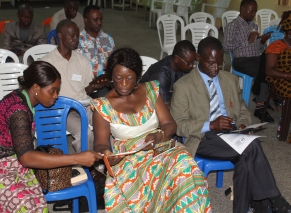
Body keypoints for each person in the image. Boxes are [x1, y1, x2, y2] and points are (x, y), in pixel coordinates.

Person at [170, 37, 291, 213]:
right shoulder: (183, 86)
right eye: (211, 63)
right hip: (204, 137)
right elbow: (179, 125)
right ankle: (275, 200)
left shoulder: (230, 80)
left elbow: (242, 108)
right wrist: (210, 125)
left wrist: (243, 124)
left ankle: (245, 208)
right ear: (198, 57)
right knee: (252, 146)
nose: (215, 68)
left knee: (245, 159)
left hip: (232, 133)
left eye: (220, 63)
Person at [91, 48, 212, 213]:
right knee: (160, 173)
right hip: (129, 159)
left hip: (159, 146)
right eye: (118, 78)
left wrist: (157, 135)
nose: (124, 84)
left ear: (137, 77)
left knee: (185, 162)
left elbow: (170, 124)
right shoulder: (102, 106)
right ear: (111, 77)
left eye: (129, 78)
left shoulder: (150, 91)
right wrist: (106, 153)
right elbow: (99, 144)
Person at [0, 61, 102, 212]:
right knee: (26, 204)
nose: (56, 96)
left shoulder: (21, 99)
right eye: (52, 91)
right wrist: (77, 159)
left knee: (36, 200)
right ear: (35, 88)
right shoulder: (18, 111)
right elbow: (26, 158)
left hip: (4, 160)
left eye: (57, 91)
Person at [41, 19, 108, 152]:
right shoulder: (47, 62)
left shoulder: (82, 60)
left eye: (77, 35)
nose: (76, 39)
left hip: (85, 105)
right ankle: (88, 167)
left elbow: (86, 90)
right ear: (60, 36)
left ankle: (106, 158)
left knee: (107, 122)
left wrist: (94, 86)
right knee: (85, 134)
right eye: (72, 35)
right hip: (63, 109)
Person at [223, 0, 274, 122]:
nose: (253, 14)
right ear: (243, 10)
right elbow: (226, 46)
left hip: (256, 57)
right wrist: (248, 40)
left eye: (255, 11)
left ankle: (262, 97)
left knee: (271, 65)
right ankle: (260, 107)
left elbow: (258, 47)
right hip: (241, 60)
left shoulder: (254, 25)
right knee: (261, 71)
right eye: (251, 11)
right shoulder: (232, 26)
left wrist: (261, 41)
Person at [140, 40, 196, 109]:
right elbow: (165, 107)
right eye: (188, 63)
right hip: (147, 107)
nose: (191, 66)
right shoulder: (161, 75)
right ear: (177, 59)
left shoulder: (181, 66)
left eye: (193, 62)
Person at [77, 5, 114, 97]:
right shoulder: (78, 40)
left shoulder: (107, 38)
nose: (99, 22)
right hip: (89, 86)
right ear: (85, 20)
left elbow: (115, 63)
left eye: (101, 19)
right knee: (106, 95)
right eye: (95, 20)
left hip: (108, 81)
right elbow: (76, 68)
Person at [266, 10, 291, 99]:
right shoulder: (276, 46)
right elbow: (269, 71)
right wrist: (288, 76)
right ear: (289, 32)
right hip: (279, 81)